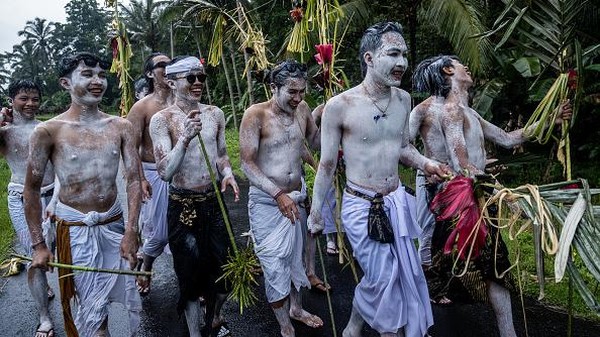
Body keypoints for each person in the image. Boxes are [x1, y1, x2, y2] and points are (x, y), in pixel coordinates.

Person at [409, 54, 572, 337]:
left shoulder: (468, 112)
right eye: (461, 64)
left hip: (477, 196)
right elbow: (457, 164)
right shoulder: (443, 110)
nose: (467, 67)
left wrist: (551, 119)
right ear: (448, 70)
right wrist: (430, 169)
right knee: (441, 263)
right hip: (456, 199)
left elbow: (509, 138)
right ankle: (416, 317)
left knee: (491, 267)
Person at [308, 22, 449, 337]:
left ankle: (354, 327)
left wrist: (428, 163)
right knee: (383, 278)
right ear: (369, 58)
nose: (402, 63)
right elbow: (327, 163)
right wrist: (317, 212)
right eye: (393, 54)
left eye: (404, 55)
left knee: (395, 276)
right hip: (361, 206)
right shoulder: (339, 106)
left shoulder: (403, 99)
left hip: (397, 202)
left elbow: (402, 148)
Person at [23, 52, 142, 337]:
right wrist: (39, 244)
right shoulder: (49, 131)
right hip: (74, 229)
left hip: (113, 223)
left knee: (118, 295)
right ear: (65, 83)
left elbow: (134, 180)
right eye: (87, 74)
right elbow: (31, 189)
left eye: (101, 75)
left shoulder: (121, 126)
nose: (98, 81)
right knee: (92, 310)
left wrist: (131, 231)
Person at [149, 56, 239, 337]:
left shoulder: (214, 113)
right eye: (190, 78)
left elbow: (221, 155)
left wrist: (227, 173)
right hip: (183, 204)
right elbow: (165, 172)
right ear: (171, 82)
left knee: (225, 271)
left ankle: (213, 316)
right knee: (189, 275)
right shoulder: (162, 120)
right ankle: (194, 332)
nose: (198, 83)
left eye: (201, 77)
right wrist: (185, 139)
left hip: (213, 202)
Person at [239, 59, 323, 337]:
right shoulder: (256, 115)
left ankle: (296, 309)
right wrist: (276, 194)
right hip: (267, 202)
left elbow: (315, 141)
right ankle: (285, 326)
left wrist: (333, 115)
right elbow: (247, 164)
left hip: (297, 198)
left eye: (302, 92)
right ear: (273, 87)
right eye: (292, 92)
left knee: (297, 259)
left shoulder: (303, 110)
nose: (298, 98)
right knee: (275, 265)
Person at [1, 80, 57, 337]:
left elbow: (60, 172)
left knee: (53, 252)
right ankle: (44, 317)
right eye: (24, 98)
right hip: (19, 199)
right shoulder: (6, 131)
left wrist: (56, 200)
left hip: (51, 198)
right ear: (11, 100)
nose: (30, 103)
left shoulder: (47, 129)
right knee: (34, 254)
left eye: (35, 98)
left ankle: (49, 290)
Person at [126, 52, 173, 295]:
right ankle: (147, 264)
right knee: (159, 231)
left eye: (170, 64)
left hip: (182, 174)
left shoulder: (183, 101)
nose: (167, 69)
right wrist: (141, 178)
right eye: (161, 65)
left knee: (187, 229)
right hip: (153, 173)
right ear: (149, 73)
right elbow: (131, 147)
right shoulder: (142, 107)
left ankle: (191, 280)